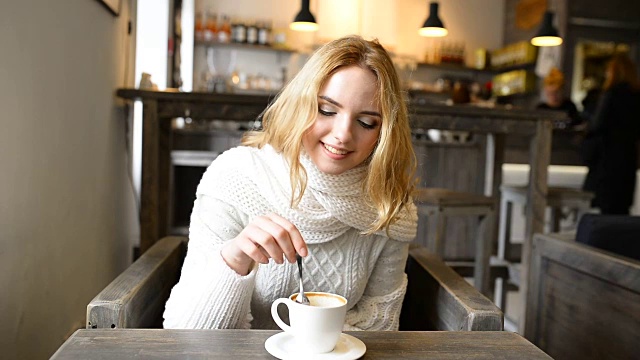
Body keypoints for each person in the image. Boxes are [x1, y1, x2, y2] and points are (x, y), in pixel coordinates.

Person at [163, 35, 418, 330]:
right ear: (301, 103)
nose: (343, 134)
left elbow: (378, 327)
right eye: (326, 110)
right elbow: (186, 334)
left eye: (366, 122)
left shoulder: (390, 206)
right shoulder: (235, 177)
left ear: (384, 131)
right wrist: (235, 257)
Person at [582, 53, 640, 215]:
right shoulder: (637, 96)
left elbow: (597, 124)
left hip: (607, 158)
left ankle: (600, 239)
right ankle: (618, 240)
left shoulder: (611, 94)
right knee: (620, 209)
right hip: (628, 158)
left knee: (604, 207)